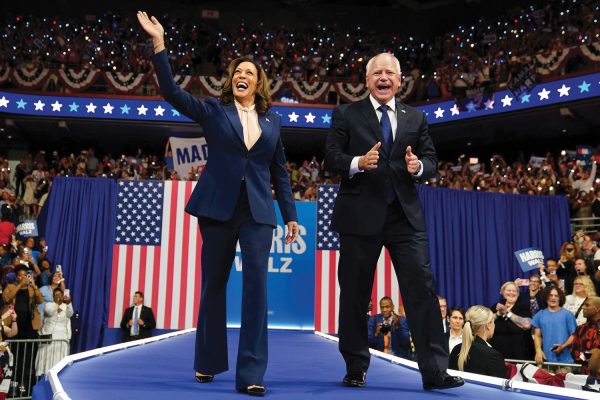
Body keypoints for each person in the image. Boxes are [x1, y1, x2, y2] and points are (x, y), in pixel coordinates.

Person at [137, 11, 299, 397]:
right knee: (214, 286)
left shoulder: (273, 124)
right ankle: (207, 362)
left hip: (258, 212)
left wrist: (290, 216)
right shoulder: (213, 111)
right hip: (218, 209)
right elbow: (173, 93)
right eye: (237, 71)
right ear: (232, 81)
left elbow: (280, 173)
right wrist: (159, 45)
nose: (243, 75)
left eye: (250, 72)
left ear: (259, 83)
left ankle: (252, 374)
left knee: (257, 288)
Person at [324, 52, 463, 390]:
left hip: (405, 217)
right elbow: (331, 159)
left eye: (390, 73)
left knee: (423, 292)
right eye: (377, 73)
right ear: (367, 80)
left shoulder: (416, 117)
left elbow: (431, 160)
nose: (383, 78)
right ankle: (355, 366)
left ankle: (434, 371)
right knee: (355, 295)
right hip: (360, 216)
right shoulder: (347, 113)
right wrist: (358, 161)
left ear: (400, 81)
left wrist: (418, 168)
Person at [449, 306, 506, 379]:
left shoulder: (456, 349)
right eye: (493, 322)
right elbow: (500, 387)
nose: (494, 325)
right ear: (488, 325)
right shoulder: (493, 356)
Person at [533, 286, 578, 365]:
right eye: (550, 295)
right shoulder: (539, 315)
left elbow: (574, 335)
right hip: (546, 359)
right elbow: (537, 336)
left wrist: (563, 346)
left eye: (556, 296)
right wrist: (538, 351)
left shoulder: (568, 315)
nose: (553, 298)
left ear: (560, 298)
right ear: (545, 297)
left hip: (566, 361)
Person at [490, 281, 534, 360]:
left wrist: (508, 313)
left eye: (514, 291)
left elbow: (527, 325)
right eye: (509, 290)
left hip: (519, 351)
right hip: (497, 350)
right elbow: (486, 323)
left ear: (518, 294)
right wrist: (498, 314)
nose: (511, 293)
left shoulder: (523, 307)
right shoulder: (496, 306)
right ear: (502, 292)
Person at [35, 287, 73, 377]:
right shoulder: (48, 305)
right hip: (49, 338)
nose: (58, 296)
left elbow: (70, 313)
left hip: (62, 339)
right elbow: (49, 312)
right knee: (46, 361)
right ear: (52, 297)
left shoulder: (66, 306)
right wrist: (57, 303)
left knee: (58, 361)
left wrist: (69, 303)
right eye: (56, 295)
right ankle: (43, 378)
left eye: (60, 295)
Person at [558, 296, 600, 374]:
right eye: (583, 305)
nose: (583, 307)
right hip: (586, 376)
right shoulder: (581, 329)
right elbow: (575, 353)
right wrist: (590, 356)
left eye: (587, 305)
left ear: (598, 309)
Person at [0, 307, 18, 400]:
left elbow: (12, 332)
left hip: (3, 361)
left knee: (2, 386)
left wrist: (14, 320)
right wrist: (3, 317)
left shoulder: (1, 326)